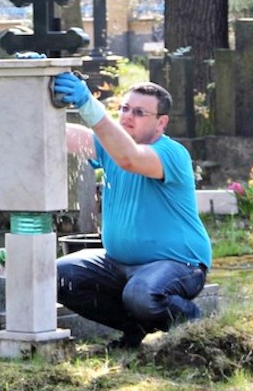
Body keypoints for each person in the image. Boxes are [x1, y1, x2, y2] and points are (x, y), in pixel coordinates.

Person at [51, 72, 212, 349]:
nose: (127, 116)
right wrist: (38, 88)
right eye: (124, 108)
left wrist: (89, 105)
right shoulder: (111, 147)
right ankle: (134, 329)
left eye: (139, 112)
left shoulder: (171, 153)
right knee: (54, 277)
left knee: (142, 294)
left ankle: (198, 326)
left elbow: (131, 159)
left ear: (161, 123)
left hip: (179, 264)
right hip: (118, 263)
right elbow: (57, 135)